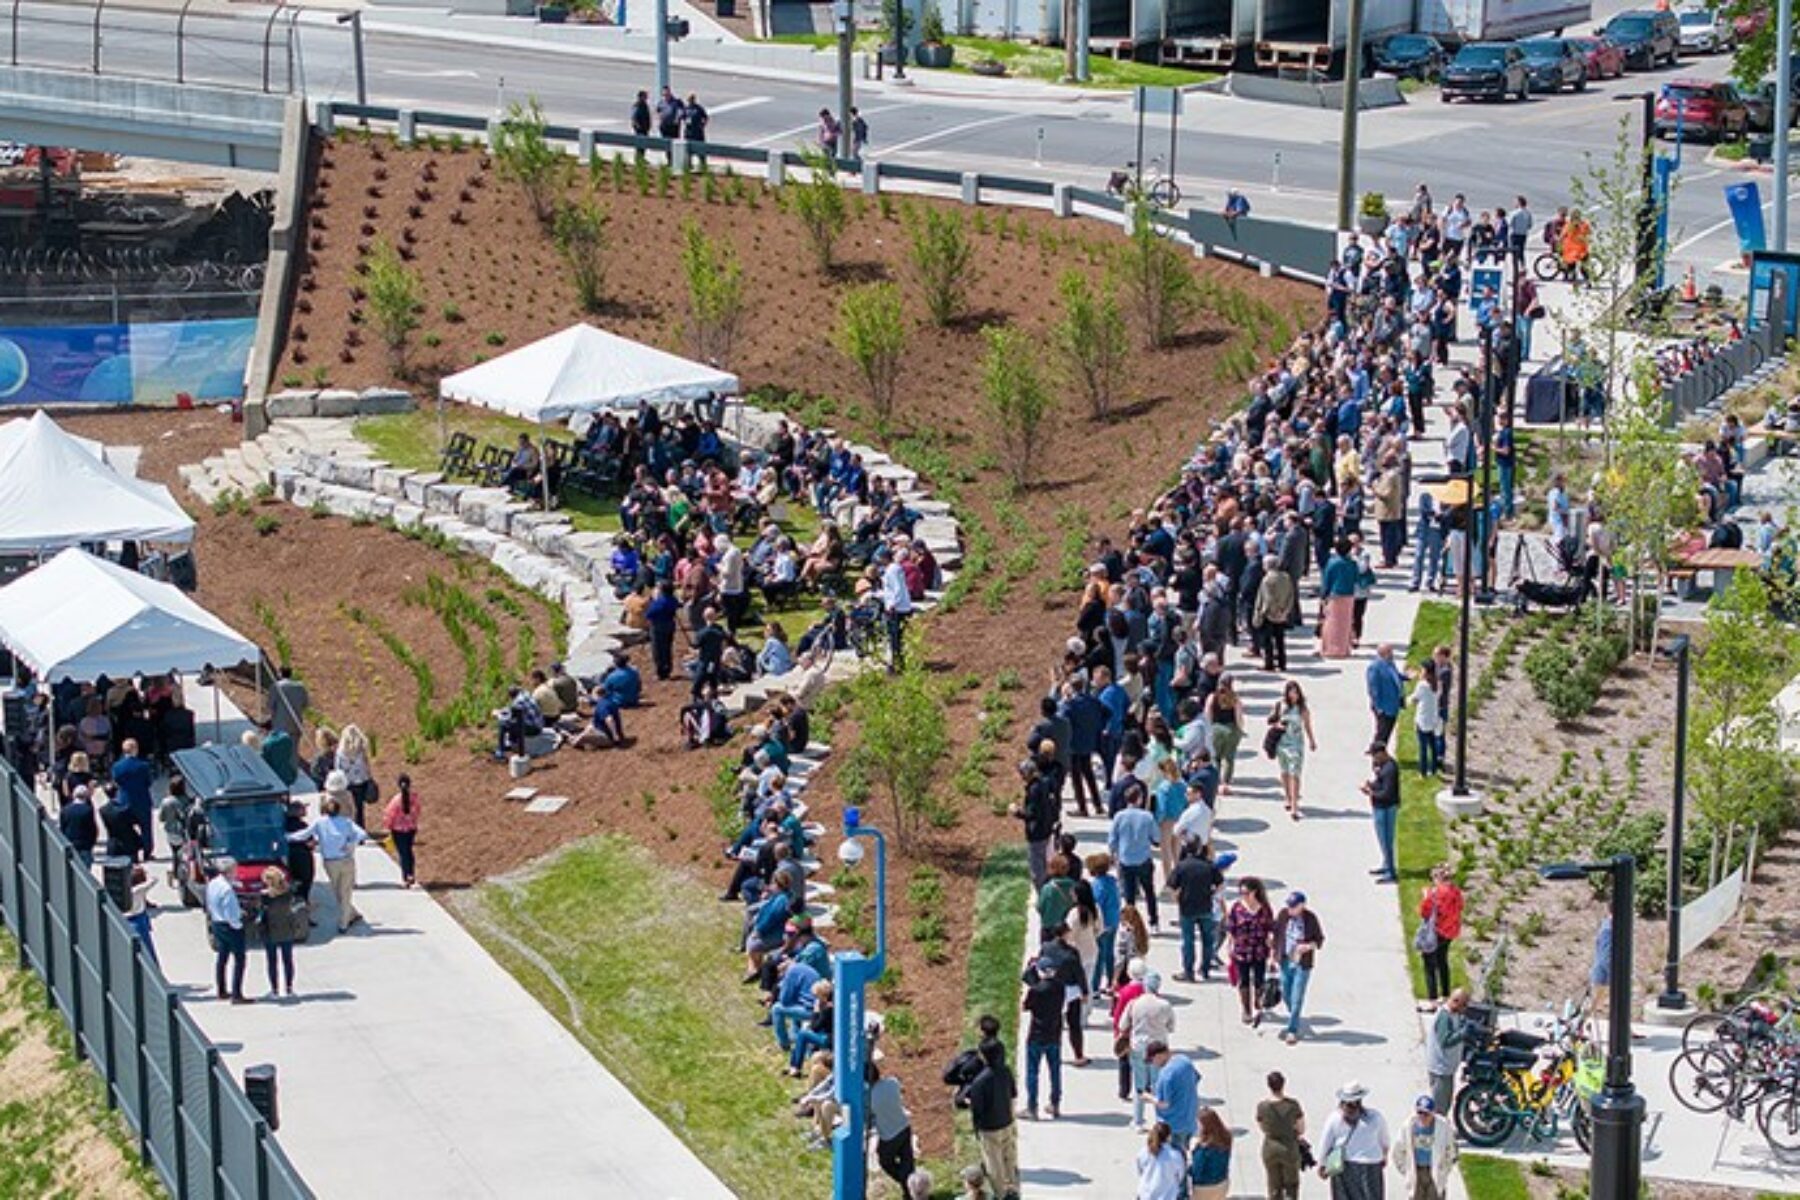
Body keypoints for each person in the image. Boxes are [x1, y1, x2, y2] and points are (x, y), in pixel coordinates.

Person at [288, 788, 370, 932]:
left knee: (340, 892)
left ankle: (343, 923)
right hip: (346, 860)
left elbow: (302, 835)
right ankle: (351, 914)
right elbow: (362, 834)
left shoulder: (320, 823)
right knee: (343, 892)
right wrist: (350, 843)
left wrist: (286, 837)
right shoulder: (346, 822)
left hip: (330, 863)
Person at [954, 1036, 1018, 1200]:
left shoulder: (979, 1082)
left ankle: (1000, 1194)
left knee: (994, 1164)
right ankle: (1012, 1187)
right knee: (1008, 1157)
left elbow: (978, 1110)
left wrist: (968, 1102)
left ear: (984, 1056)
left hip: (989, 1128)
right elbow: (1012, 1094)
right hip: (1006, 1121)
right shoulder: (1006, 1071)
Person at [1120, 972, 1175, 1129]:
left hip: (1139, 1046)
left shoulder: (1134, 1003)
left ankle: (1138, 1120)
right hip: (1159, 1047)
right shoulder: (1165, 1005)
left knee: (1139, 1084)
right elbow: (1171, 1027)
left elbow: (1122, 1025)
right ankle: (1160, 1121)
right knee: (1158, 1085)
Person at [1318, 1082, 1390, 1200]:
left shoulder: (1335, 1118)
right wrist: (1383, 1156)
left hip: (1344, 1166)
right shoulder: (1375, 1117)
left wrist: (1322, 1164)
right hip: (1371, 1166)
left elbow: (1325, 1143)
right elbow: (1385, 1140)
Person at [1272, 891, 1325, 1044]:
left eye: (1293, 906)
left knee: (1297, 997)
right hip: (1285, 960)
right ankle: (1294, 1014)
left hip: (1302, 964)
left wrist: (1308, 946)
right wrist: (1273, 954)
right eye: (1289, 905)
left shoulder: (1310, 919)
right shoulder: (1283, 915)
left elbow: (1319, 940)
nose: (1290, 909)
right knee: (1286, 993)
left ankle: (1292, 1029)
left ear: (1302, 906)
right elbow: (1276, 934)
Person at [1169, 842, 1223, 983]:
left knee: (1188, 941)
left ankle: (1189, 972)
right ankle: (1205, 970)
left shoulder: (1182, 866)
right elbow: (1220, 884)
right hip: (1205, 907)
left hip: (1187, 908)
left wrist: (1177, 899)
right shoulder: (1209, 865)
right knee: (1207, 940)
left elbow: (1172, 886)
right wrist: (1212, 893)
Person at [1109, 785, 1160, 931]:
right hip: (1143, 858)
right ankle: (1153, 921)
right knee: (1149, 891)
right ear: (1139, 799)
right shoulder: (1147, 816)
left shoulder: (1119, 816)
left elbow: (1112, 839)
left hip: (1125, 859)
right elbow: (1156, 837)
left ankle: (1130, 923)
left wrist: (1113, 854)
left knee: (1129, 895)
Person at [1020, 957, 1065, 1120]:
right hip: (1054, 1034)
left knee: (1033, 1072)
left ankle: (1032, 1107)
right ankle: (1055, 1103)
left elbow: (1025, 1006)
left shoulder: (1036, 990)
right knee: (1055, 1071)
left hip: (1037, 1035)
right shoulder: (1060, 987)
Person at [1226, 876, 1274, 1025]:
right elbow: (1231, 927)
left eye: (1246, 893)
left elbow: (1270, 928)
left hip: (1259, 949)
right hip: (1242, 950)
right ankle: (1246, 1010)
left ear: (1255, 892)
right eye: (1241, 893)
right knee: (1244, 980)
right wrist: (1230, 944)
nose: (1244, 896)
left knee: (1259, 980)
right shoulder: (1237, 907)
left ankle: (1258, 1004)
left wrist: (1271, 943)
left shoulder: (1264, 908)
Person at [205, 859, 252, 1004]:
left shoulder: (213, 883)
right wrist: (239, 925)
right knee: (240, 959)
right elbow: (231, 913)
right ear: (230, 871)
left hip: (217, 923)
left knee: (222, 957)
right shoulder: (227, 890)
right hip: (229, 926)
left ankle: (222, 990)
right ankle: (237, 994)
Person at [1392, 1094, 1456, 1200]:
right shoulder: (1408, 1126)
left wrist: (1444, 1168)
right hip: (1417, 1171)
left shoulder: (1443, 1126)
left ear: (1433, 1113)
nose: (1422, 1117)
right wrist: (1406, 1170)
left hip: (1434, 1171)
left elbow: (1451, 1150)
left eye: (1426, 1114)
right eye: (1420, 1112)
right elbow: (1398, 1151)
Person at [258, 865, 308, 998]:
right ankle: (289, 987)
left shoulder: (265, 897)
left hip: (270, 930)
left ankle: (274, 989)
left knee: (272, 961)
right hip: (287, 929)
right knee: (288, 960)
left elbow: (261, 912)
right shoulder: (288, 893)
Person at [1270, 681, 1317, 821]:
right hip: (1282, 743)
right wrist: (1277, 725)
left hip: (1296, 744)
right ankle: (1288, 797)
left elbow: (1307, 725)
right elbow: (1271, 720)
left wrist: (1312, 741)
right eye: (1291, 692)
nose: (1294, 695)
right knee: (1285, 772)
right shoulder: (1280, 705)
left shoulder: (1302, 708)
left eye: (1296, 692)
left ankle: (1295, 806)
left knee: (1295, 773)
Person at [1417, 866, 1463, 1006]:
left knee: (1429, 964)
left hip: (1436, 932)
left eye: (1433, 879)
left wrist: (1426, 896)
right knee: (1442, 961)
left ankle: (1432, 999)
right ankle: (1445, 994)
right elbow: (1460, 906)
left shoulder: (1436, 894)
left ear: (1438, 878)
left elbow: (1424, 912)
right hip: (1450, 931)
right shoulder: (1456, 892)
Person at [1256, 1071, 1306, 1200]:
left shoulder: (1262, 1106)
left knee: (1273, 1185)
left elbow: (1261, 1126)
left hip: (1270, 1147)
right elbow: (1301, 1128)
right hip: (1289, 1147)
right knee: (1291, 1185)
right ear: (1283, 1084)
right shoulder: (1293, 1105)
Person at [1145, 1040, 1200, 1155]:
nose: (1152, 1064)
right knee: (1184, 1153)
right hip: (1190, 1118)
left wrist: (1148, 1097)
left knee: (1173, 1158)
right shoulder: (1185, 1061)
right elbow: (1196, 1079)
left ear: (1159, 1056)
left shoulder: (1165, 1075)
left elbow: (1164, 1103)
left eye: (1152, 1060)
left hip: (1173, 1125)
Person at [869, 1062, 917, 1187]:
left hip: (889, 1136)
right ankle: (914, 1189)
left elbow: (869, 1116)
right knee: (908, 1162)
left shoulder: (870, 1097)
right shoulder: (892, 1082)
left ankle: (906, 1183)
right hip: (904, 1127)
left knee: (885, 1161)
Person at [1424, 988, 1469, 1115]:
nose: (1465, 1008)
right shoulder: (1444, 1016)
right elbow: (1445, 1041)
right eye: (1463, 1004)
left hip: (1447, 1068)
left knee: (1446, 1103)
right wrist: (1463, 1033)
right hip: (1440, 1069)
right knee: (1440, 1106)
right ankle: (1438, 1130)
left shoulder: (1454, 1014)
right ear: (1455, 1001)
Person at [110, 738, 155, 861]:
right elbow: (148, 782)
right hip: (142, 801)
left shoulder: (117, 766)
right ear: (135, 749)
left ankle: (132, 853)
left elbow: (116, 782)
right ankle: (147, 852)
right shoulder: (143, 766)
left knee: (127, 829)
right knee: (146, 828)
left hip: (124, 801)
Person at [1363, 741, 1401, 884]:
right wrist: (1372, 785)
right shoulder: (1383, 767)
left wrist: (1370, 792)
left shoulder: (1390, 769)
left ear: (1382, 753)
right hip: (1380, 807)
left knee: (1386, 841)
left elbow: (1387, 793)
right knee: (1382, 840)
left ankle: (1391, 873)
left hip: (1386, 808)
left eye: (1374, 755)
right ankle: (1386, 865)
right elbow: (1380, 784)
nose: (1373, 759)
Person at [1204, 674, 1245, 794]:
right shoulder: (1235, 698)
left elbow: (1208, 714)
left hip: (1216, 729)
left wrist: (1208, 730)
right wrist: (1240, 730)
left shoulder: (1212, 697)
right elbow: (1239, 717)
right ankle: (1225, 784)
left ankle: (1216, 783)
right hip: (1231, 729)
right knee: (1229, 758)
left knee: (1215, 758)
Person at [1319, 539, 1358, 658]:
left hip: (1335, 594)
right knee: (1345, 623)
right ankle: (1344, 648)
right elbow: (1356, 578)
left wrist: (1323, 595)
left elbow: (1327, 580)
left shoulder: (1332, 563)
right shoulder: (1352, 563)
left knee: (1331, 622)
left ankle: (1330, 649)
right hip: (1349, 594)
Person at [335, 724, 376, 829]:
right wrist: (369, 778)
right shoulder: (360, 751)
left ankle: (348, 829)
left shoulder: (340, 752)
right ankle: (360, 830)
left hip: (346, 783)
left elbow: (338, 768)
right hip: (360, 782)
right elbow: (366, 766)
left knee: (347, 809)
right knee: (359, 808)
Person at [384, 774, 422, 887]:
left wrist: (388, 826)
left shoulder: (396, 800)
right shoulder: (414, 798)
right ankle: (411, 873)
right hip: (411, 829)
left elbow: (389, 814)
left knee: (403, 853)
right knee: (409, 851)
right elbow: (417, 811)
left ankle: (406, 876)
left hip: (398, 830)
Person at [1366, 643, 1405, 749]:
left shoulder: (1390, 663)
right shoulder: (1375, 667)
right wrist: (1378, 707)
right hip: (1383, 706)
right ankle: (1377, 752)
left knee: (1388, 731)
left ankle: (1381, 749)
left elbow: (1394, 675)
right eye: (1389, 652)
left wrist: (1406, 677)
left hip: (1393, 705)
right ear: (1382, 653)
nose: (1392, 654)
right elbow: (1373, 689)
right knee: (1382, 732)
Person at [1136, 1121, 1187, 1200]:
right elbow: (1180, 1175)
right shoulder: (1174, 1155)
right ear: (1169, 1137)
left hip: (1145, 1195)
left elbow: (1140, 1171)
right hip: (1167, 1196)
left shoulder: (1143, 1152)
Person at [1190, 1107, 1233, 1200]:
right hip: (1222, 1183)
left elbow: (1197, 1172)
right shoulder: (1226, 1138)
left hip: (1204, 1188)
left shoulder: (1203, 1149)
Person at [124, 864, 158, 966]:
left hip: (128, 919)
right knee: (147, 948)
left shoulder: (126, 891)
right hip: (138, 920)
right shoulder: (138, 890)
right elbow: (154, 880)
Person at [1412, 666, 1441, 777]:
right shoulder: (1436, 684)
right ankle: (1433, 769)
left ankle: (1422, 771)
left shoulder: (1422, 685)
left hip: (1422, 719)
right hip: (1433, 718)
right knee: (1433, 745)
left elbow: (1415, 699)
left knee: (1423, 747)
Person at [58, 784, 98, 866]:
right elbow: (92, 829)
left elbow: (62, 828)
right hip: (84, 846)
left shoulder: (65, 810)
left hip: (70, 844)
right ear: (86, 796)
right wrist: (91, 844)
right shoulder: (88, 810)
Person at [269, 666, 309, 744]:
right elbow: (305, 704)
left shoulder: (276, 686)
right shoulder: (300, 687)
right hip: (296, 722)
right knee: (294, 749)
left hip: (280, 724)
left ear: (280, 674)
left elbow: (270, 705)